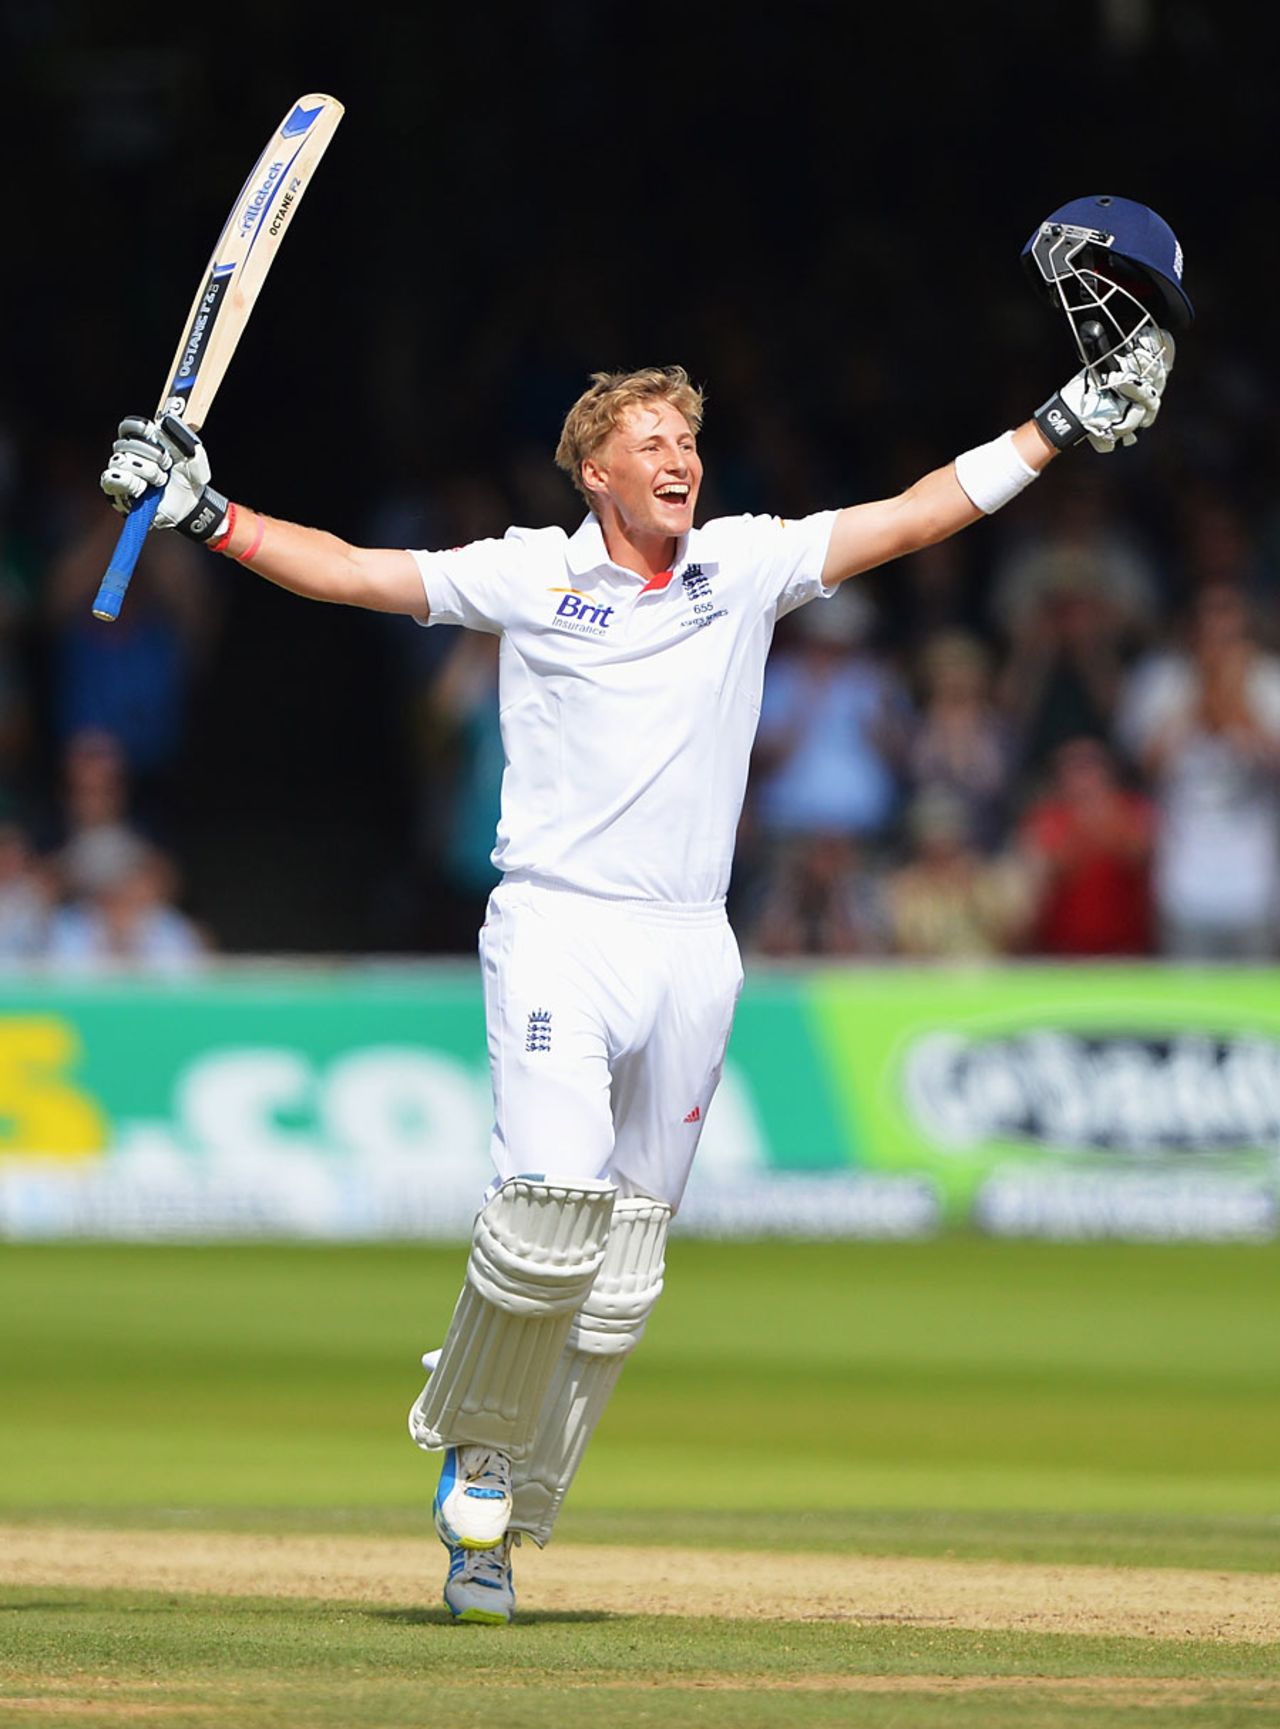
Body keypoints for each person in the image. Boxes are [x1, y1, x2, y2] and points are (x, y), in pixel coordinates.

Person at [98, 200, 1180, 1625]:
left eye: (690, 437)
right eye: (654, 440)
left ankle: (513, 1521)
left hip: (691, 942)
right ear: (595, 466)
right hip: (557, 924)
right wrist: (205, 511)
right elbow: (361, 573)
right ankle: (474, 1468)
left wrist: (1058, 422)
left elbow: (918, 510)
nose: (682, 455)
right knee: (547, 1218)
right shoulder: (534, 576)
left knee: (619, 1276)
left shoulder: (742, 566)